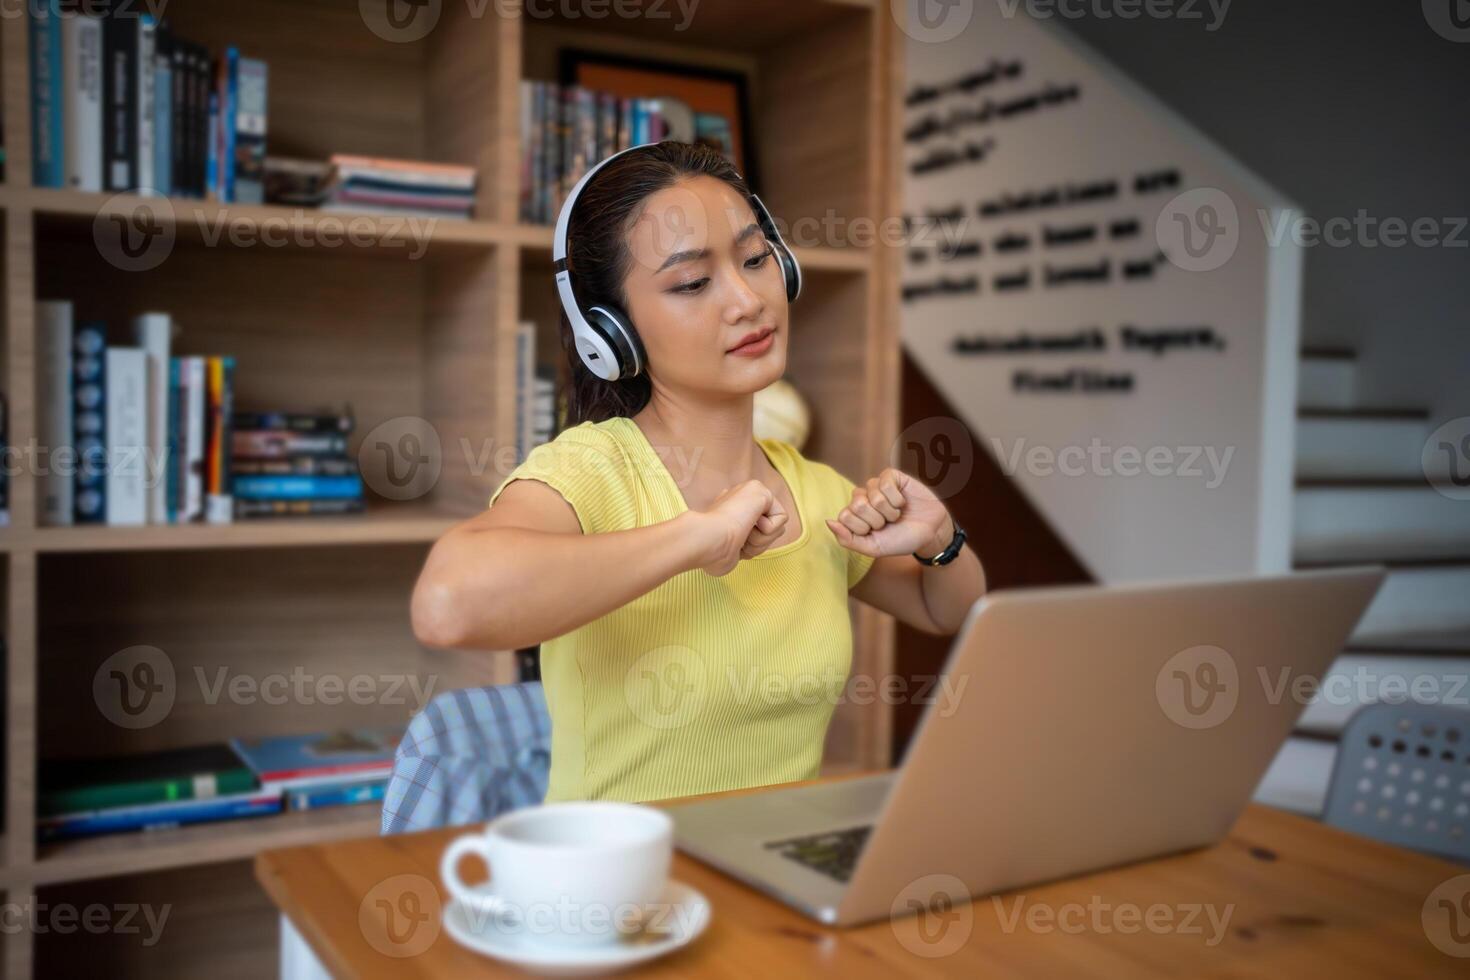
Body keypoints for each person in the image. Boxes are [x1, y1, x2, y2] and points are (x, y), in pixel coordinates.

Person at [411, 141, 985, 803]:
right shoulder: (592, 470)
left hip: (774, 880)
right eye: (692, 283)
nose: (747, 300)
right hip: (623, 889)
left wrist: (939, 538)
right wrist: (696, 539)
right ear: (611, 330)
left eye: (754, 259)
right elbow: (447, 606)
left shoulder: (816, 490)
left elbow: (951, 611)